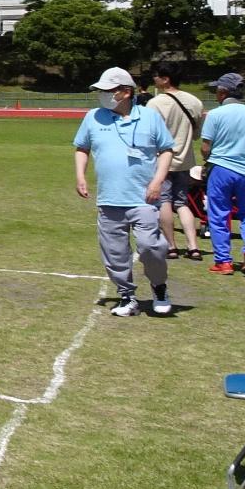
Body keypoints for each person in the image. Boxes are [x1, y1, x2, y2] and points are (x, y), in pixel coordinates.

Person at [72, 66, 175, 317]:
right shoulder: (93, 117)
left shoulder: (150, 117)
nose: (102, 95)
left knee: (150, 246)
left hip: (144, 198)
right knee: (115, 253)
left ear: (126, 92)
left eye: (108, 90)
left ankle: (159, 287)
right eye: (100, 90)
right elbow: (81, 147)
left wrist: (157, 182)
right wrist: (80, 176)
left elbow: (166, 150)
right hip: (109, 199)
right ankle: (126, 296)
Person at [202, 72, 245, 276]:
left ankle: (223, 261)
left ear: (223, 92)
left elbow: (206, 148)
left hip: (221, 168)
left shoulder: (215, 115)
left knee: (219, 214)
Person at [147, 63, 207, 260]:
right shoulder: (195, 102)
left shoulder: (155, 103)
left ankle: (171, 246)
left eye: (157, 75)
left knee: (164, 202)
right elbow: (197, 134)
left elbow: (149, 135)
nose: (154, 78)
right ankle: (193, 246)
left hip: (161, 160)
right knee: (182, 203)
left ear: (166, 79)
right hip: (185, 160)